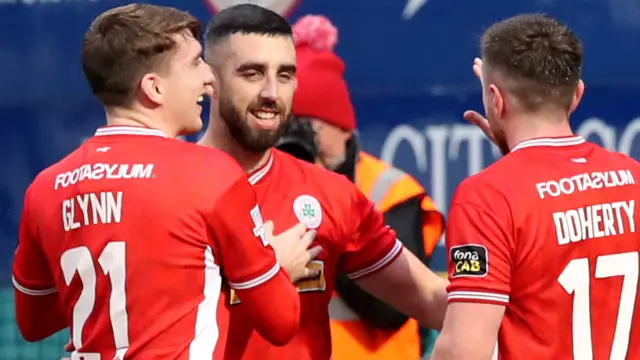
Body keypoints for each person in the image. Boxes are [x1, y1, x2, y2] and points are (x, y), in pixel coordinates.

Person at [13, 4, 318, 359]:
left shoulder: (46, 188)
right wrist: (276, 267)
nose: (210, 78)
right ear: (154, 88)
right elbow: (280, 321)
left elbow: (33, 323)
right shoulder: (210, 174)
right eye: (194, 63)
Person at [198, 4, 449, 360]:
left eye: (284, 75)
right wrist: (266, 272)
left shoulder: (332, 194)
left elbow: (428, 298)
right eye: (252, 74)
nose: (272, 92)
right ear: (211, 81)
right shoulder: (166, 189)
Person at [431, 13, 640, 360]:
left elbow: (463, 351)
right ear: (577, 96)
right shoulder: (632, 178)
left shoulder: (488, 197)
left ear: (496, 101)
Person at [275, 15, 445, 360]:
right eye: (292, 123)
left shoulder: (388, 190)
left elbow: (389, 311)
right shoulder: (266, 184)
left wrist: (323, 208)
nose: (303, 135)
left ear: (341, 125)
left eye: (312, 123)